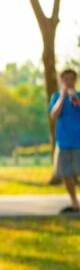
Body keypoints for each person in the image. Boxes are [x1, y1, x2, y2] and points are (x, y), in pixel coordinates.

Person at [49, 68, 80, 214]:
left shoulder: (78, 96)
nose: (69, 82)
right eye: (66, 79)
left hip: (78, 142)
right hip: (63, 142)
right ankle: (75, 203)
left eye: (71, 79)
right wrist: (62, 97)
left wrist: (76, 99)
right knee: (65, 173)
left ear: (75, 80)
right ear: (62, 81)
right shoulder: (55, 97)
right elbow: (54, 115)